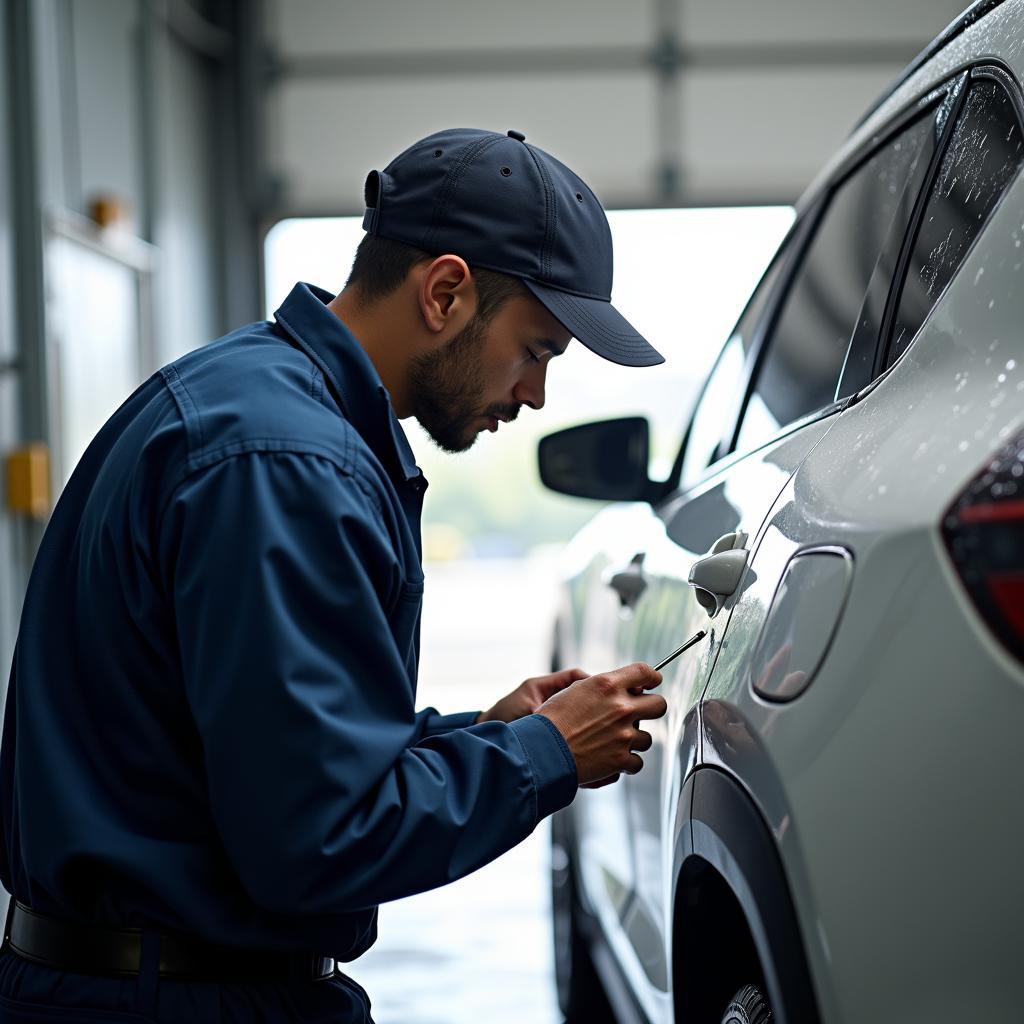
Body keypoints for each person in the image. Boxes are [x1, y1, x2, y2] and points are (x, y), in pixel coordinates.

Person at [0, 127, 668, 1023]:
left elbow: (258, 752)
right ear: (445, 291)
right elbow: (318, 840)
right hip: (180, 1001)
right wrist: (544, 755)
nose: (536, 393)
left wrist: (483, 734)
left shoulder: (255, 400)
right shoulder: (286, 465)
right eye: (538, 349)